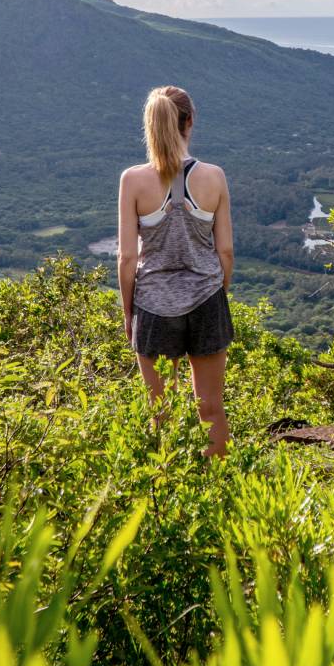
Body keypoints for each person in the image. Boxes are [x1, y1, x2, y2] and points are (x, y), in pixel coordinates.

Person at [117, 86, 234, 458]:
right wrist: (218, 293)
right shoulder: (214, 176)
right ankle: (217, 487)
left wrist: (128, 311)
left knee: (160, 413)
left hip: (153, 305)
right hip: (206, 300)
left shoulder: (132, 180)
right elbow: (226, 251)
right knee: (211, 408)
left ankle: (168, 495)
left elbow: (126, 257)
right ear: (190, 122)